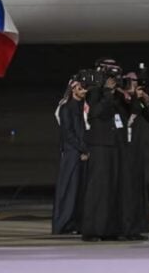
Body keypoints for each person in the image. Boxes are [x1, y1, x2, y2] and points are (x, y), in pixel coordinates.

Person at [81, 60, 123, 241]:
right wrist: (106, 91)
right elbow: (96, 112)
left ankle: (109, 229)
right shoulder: (94, 90)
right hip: (98, 144)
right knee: (97, 188)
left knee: (112, 188)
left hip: (113, 143)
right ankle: (91, 230)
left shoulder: (115, 93)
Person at [118, 71, 149, 240]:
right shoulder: (121, 98)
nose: (134, 84)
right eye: (131, 81)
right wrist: (132, 97)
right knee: (127, 189)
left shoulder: (136, 100)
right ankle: (126, 227)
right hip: (125, 148)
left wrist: (144, 101)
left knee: (137, 189)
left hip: (136, 148)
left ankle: (136, 226)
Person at [52, 77, 89, 235]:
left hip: (80, 152)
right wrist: (83, 150)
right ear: (73, 89)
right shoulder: (66, 108)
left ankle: (76, 222)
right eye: (81, 88)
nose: (84, 91)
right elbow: (68, 134)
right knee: (69, 189)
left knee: (80, 190)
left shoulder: (83, 107)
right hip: (72, 153)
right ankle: (63, 224)